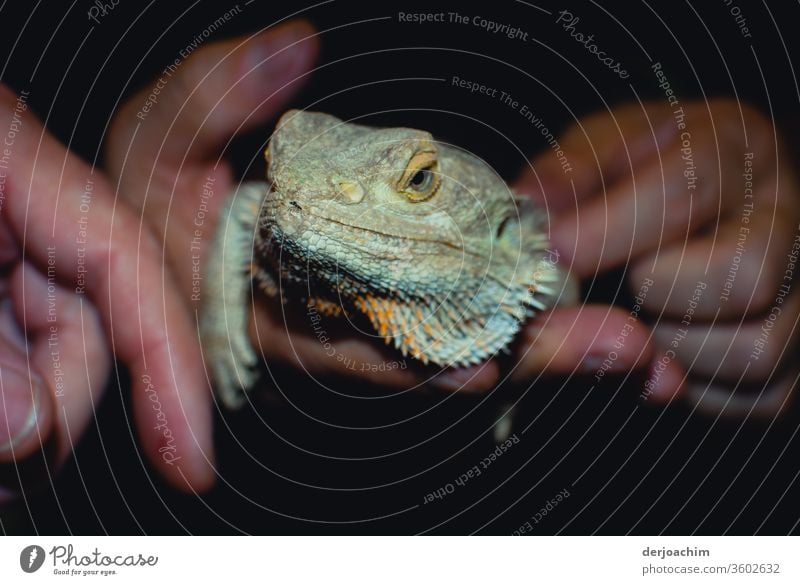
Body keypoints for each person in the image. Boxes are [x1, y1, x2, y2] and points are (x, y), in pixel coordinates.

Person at [1, 20, 796, 501]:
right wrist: (214, 312)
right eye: (281, 156)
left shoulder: (539, 257)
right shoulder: (255, 203)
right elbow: (251, 206)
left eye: (416, 184)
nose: (305, 202)